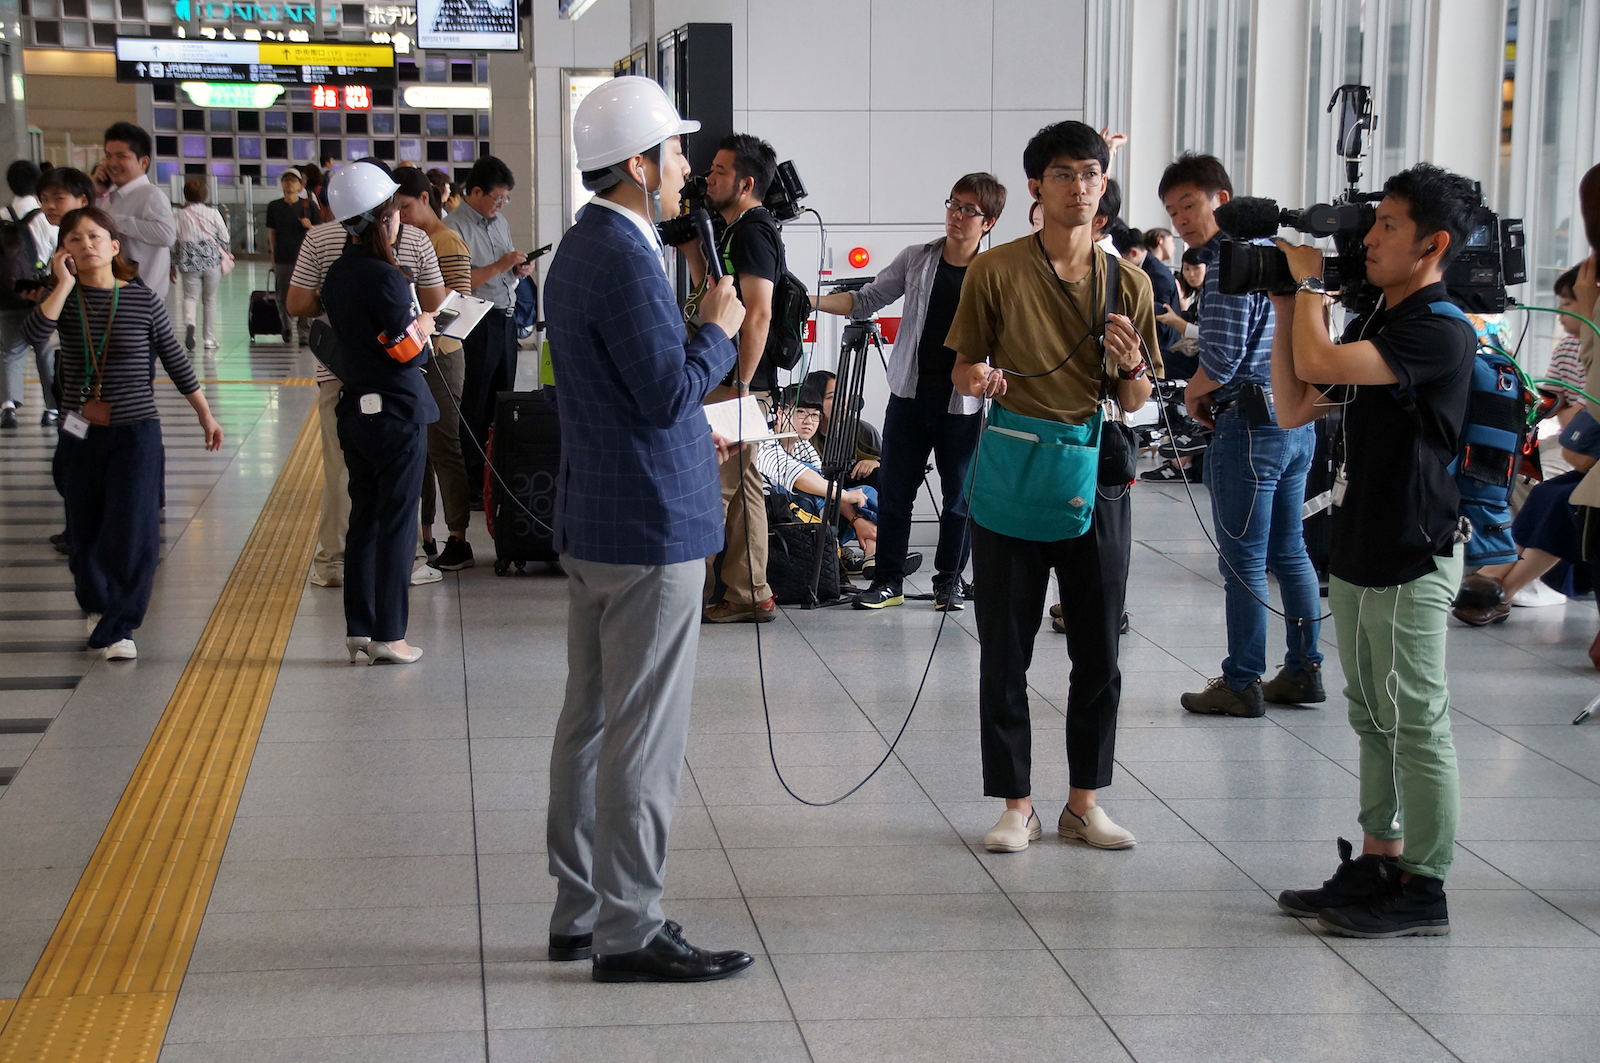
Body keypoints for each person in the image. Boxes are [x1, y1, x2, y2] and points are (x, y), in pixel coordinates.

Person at [543, 75, 754, 983]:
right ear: (636, 163)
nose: (683, 170)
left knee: (589, 719)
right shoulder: (625, 257)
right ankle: (629, 927)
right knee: (642, 734)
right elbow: (669, 389)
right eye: (672, 153)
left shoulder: (583, 247)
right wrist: (716, 328)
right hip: (648, 529)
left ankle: (579, 908)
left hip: (597, 516)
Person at [1269, 163, 1482, 938]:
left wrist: (1308, 294)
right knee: (1370, 713)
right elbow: (1296, 401)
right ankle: (1380, 856)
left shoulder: (1440, 328)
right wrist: (1288, 303)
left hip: (1417, 548)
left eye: (1389, 226)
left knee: (1417, 718)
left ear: (1434, 244)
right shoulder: (1378, 324)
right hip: (1360, 544)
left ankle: (1425, 883)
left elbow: (1320, 364)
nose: (1370, 238)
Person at [945, 121, 1159, 855]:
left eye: (1091, 174)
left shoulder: (1127, 280)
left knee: (1098, 648)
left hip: (1095, 471)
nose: (1079, 187)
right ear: (1036, 186)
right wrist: (981, 379)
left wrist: (1130, 368)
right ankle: (1016, 804)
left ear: (1105, 186)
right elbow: (963, 369)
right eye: (1064, 174)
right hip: (1013, 463)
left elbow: (1135, 401)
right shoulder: (996, 270)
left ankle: (1084, 802)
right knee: (1006, 646)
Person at [1160, 153, 1324, 718]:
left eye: (1189, 204)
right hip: (1297, 418)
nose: (1181, 218)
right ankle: (1304, 670)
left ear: (1221, 199)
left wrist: (1189, 392)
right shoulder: (1288, 257)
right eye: (1172, 210)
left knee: (1245, 561)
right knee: (1290, 550)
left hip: (1251, 423)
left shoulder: (1230, 263)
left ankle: (1241, 681)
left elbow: (1224, 358)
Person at [26, 206, 222, 659]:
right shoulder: (64, 300)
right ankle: (97, 604)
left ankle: (121, 626)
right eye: (75, 239)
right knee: (84, 528)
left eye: (96, 236)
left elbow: (174, 358)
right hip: (78, 433)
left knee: (133, 529)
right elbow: (34, 336)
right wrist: (62, 284)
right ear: (64, 251)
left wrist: (205, 414)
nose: (86, 244)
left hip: (136, 432)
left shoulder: (141, 298)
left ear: (115, 247)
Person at [810, 173, 1005, 611]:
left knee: (960, 499)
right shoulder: (917, 258)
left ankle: (949, 581)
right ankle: (888, 581)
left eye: (968, 210)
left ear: (988, 222)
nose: (956, 215)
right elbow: (866, 299)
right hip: (910, 396)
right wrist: (811, 300)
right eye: (953, 204)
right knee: (897, 492)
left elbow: (1011, 336)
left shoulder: (996, 271)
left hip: (964, 403)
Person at [285, 159, 447, 590]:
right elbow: (435, 299)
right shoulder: (414, 239)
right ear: (386, 205)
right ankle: (409, 560)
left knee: (344, 472)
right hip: (399, 376)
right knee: (402, 478)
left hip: (340, 372)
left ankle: (334, 563)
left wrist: (339, 303)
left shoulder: (320, 239)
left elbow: (297, 304)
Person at [321, 164, 437, 666]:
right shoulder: (386, 277)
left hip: (356, 412)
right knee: (395, 522)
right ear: (381, 219)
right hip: (397, 413)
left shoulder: (338, 274)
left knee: (364, 517)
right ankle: (391, 634)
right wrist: (426, 323)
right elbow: (406, 351)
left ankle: (359, 627)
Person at [681, 133, 782, 623]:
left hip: (735, 381)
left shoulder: (753, 231)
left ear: (745, 183)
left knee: (715, 486)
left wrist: (740, 385)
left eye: (719, 172)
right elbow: (712, 295)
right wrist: (691, 251)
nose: (708, 178)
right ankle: (747, 592)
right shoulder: (729, 228)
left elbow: (758, 314)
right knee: (740, 487)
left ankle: (703, 595)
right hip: (723, 377)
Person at [394, 166, 475, 570]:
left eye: (406, 206)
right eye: (395, 209)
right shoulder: (405, 239)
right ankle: (424, 534)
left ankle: (458, 537)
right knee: (417, 451)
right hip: (414, 355)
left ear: (425, 198)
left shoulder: (448, 242)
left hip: (442, 354)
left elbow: (456, 306)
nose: (401, 215)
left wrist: (422, 317)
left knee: (445, 446)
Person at [444, 156, 533, 508]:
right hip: (476, 323)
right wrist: (499, 265)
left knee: (502, 400)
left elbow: (502, 274)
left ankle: (493, 478)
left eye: (505, 199)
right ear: (475, 191)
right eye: (497, 198)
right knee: (475, 404)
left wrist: (516, 271)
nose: (500, 205)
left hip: (504, 318)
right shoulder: (454, 228)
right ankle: (470, 484)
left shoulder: (499, 222)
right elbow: (459, 284)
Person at [757, 395, 879, 559]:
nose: (809, 421)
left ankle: (871, 554)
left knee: (866, 493)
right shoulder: (765, 441)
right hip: (780, 524)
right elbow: (799, 476)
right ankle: (834, 554)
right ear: (780, 412)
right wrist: (851, 509)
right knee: (810, 477)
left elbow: (826, 486)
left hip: (812, 520)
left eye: (815, 415)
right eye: (801, 412)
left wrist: (856, 517)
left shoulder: (803, 445)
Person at [1, 160, 57, 428]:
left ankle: (8, 406)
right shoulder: (46, 217)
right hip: (40, 292)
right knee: (44, 351)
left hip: (8, 293)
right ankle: (52, 408)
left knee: (11, 351)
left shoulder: (1, 213)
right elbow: (57, 252)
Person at [96, 122, 176, 304]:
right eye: (108, 156)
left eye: (121, 156)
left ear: (143, 162)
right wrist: (95, 193)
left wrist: (113, 221)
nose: (112, 163)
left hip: (141, 300)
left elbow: (167, 235)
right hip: (116, 296)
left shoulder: (150, 194)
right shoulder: (110, 199)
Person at [172, 177, 230, 354]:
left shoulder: (178, 215)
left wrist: (173, 263)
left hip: (188, 259)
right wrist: (223, 251)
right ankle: (209, 338)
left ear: (185, 195)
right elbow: (225, 236)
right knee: (209, 300)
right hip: (211, 259)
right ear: (205, 195)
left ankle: (190, 324)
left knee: (190, 297)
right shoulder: (213, 213)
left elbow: (172, 241)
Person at [265, 168, 317, 345]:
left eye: (293, 180)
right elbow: (271, 233)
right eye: (286, 180)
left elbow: (320, 231)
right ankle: (286, 326)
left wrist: (310, 226)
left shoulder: (309, 206)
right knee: (282, 295)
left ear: (300, 184)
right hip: (282, 257)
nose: (289, 183)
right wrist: (273, 257)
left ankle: (304, 331)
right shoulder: (274, 206)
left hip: (305, 259)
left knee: (306, 294)